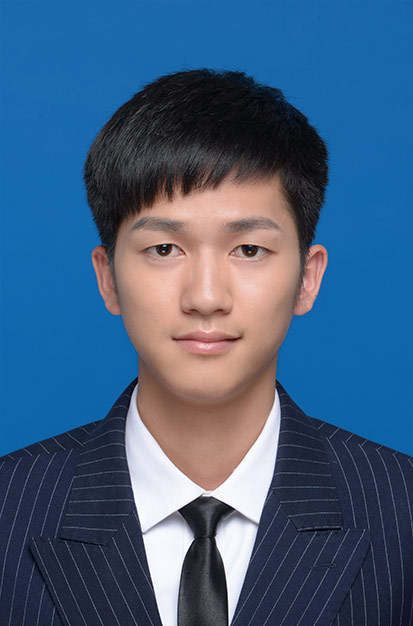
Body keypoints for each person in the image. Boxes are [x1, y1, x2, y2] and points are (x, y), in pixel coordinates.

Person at [0, 69, 411, 626]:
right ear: (108, 278)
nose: (206, 297)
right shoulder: (10, 508)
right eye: (164, 249)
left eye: (249, 250)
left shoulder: (401, 511)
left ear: (307, 278)